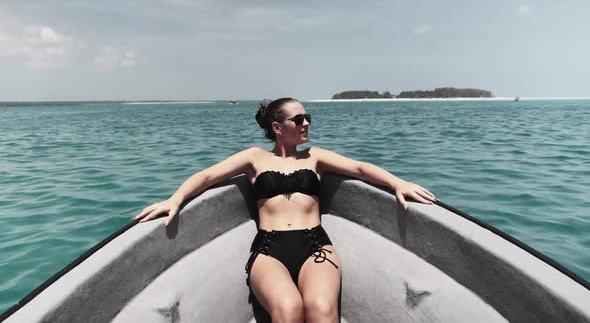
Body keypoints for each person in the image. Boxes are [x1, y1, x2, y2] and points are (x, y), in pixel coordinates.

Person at [133, 97, 436, 322]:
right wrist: (175, 200)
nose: (307, 123)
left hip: (315, 245)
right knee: (288, 310)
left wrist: (398, 183)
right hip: (269, 249)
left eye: (308, 117)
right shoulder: (253, 158)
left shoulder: (315, 157)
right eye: (299, 119)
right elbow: (207, 176)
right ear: (278, 127)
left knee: (321, 309)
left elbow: (360, 167)